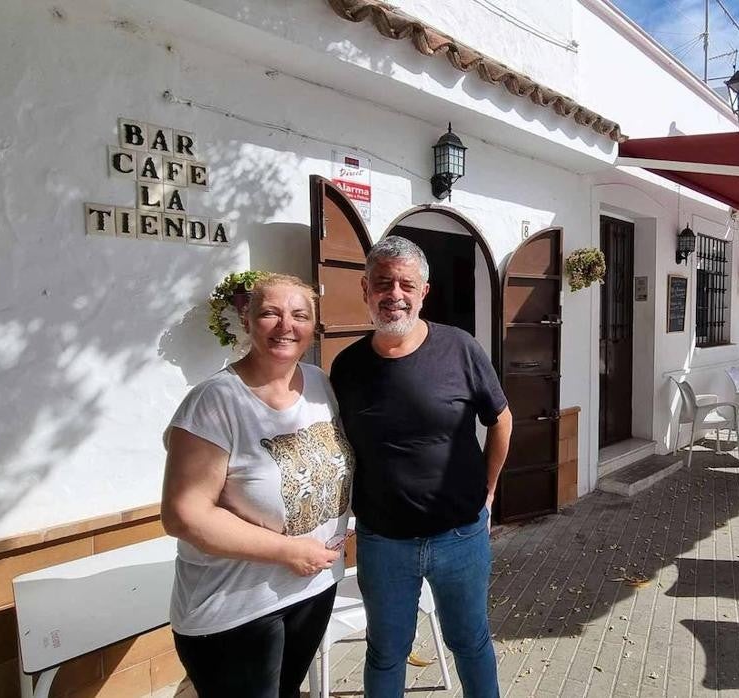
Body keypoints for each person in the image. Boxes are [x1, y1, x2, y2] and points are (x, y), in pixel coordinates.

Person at [330, 236, 512, 698]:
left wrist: (488, 493)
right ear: (365, 289)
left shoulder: (460, 348)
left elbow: (502, 420)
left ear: (423, 291)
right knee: (386, 651)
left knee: (470, 642)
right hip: (383, 542)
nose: (395, 294)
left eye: (406, 284)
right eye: (383, 283)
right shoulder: (347, 367)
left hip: (460, 537)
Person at [161, 273, 354, 698]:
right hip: (237, 607)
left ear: (313, 326)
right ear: (246, 320)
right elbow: (184, 515)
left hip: (311, 590)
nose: (286, 325)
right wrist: (289, 551)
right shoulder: (215, 402)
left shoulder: (320, 384)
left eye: (299, 315)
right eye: (270, 313)